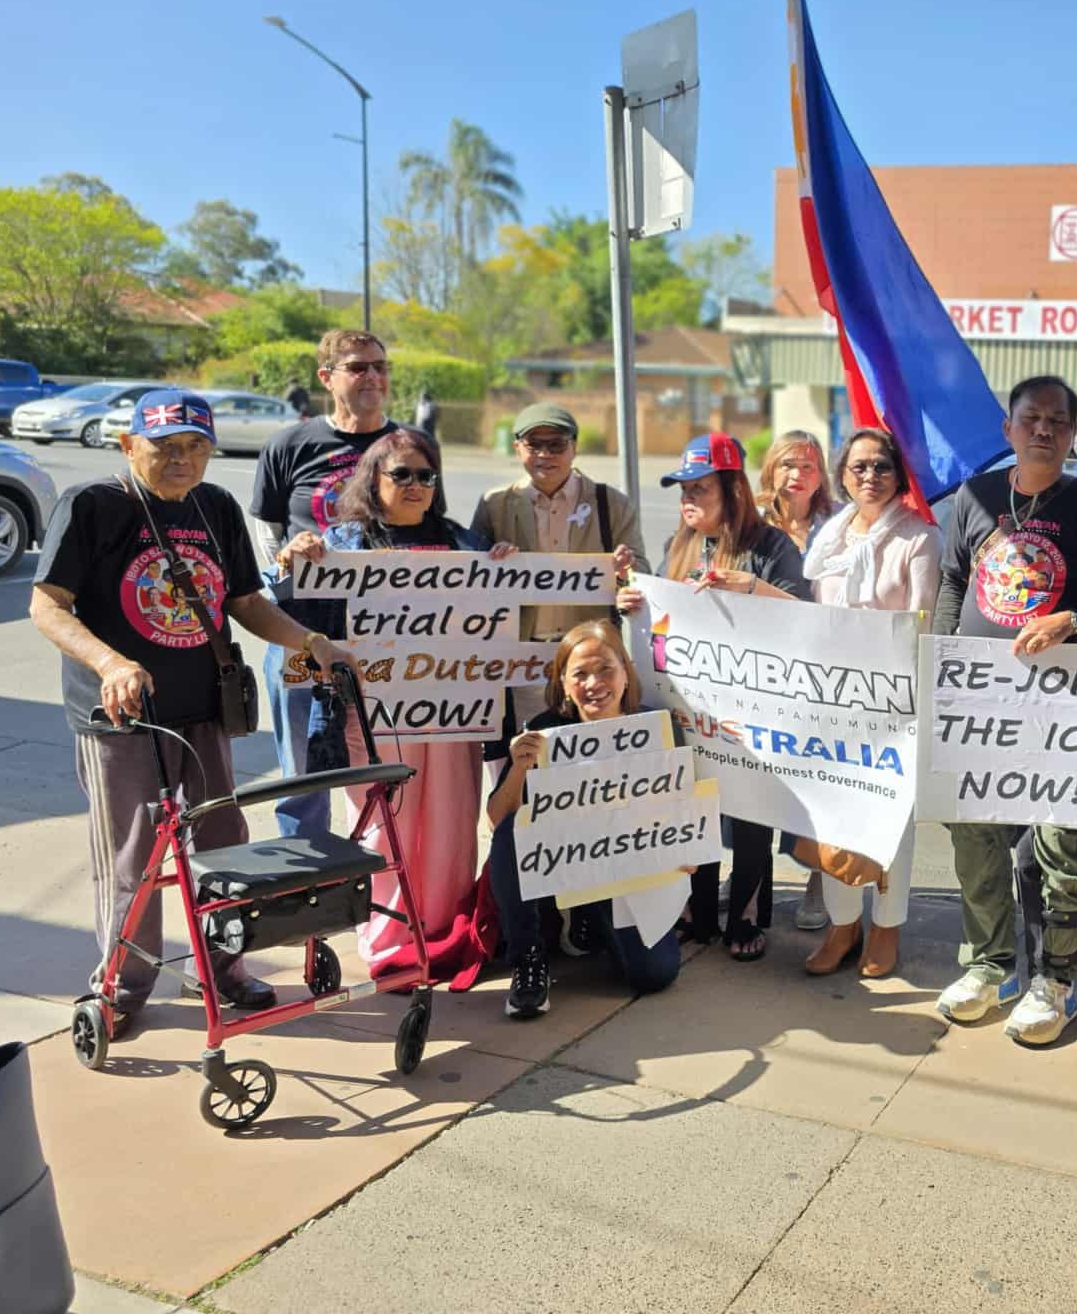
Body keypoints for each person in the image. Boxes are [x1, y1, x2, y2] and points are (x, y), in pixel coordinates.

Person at [30, 389, 350, 1034]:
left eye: (196, 447)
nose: (182, 460)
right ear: (129, 446)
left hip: (204, 706)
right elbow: (48, 604)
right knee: (135, 859)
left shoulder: (215, 506)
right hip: (123, 717)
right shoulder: (93, 505)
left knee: (223, 846)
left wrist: (308, 640)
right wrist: (111, 665)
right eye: (165, 447)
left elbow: (245, 600)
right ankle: (122, 985)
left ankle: (227, 969)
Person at [933, 375, 1077, 1046]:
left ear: (1073, 434)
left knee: (1058, 851)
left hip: (1066, 708)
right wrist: (941, 662)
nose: (1043, 429)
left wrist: (1072, 619)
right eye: (1031, 418)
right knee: (976, 839)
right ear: (1009, 430)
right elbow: (955, 579)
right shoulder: (976, 497)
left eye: (1057, 420)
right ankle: (989, 968)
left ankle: (1056, 982)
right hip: (979, 700)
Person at [276, 427, 515, 983]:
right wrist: (294, 561)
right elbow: (274, 602)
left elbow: (500, 618)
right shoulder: (341, 542)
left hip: (455, 711)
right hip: (372, 713)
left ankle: (444, 932)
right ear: (373, 479)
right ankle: (389, 940)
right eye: (400, 474)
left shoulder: (465, 544)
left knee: (453, 824)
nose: (414, 485)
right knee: (386, 824)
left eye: (425, 476)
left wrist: (505, 567)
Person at [617, 433, 811, 960]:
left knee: (750, 810)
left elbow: (803, 619)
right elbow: (661, 620)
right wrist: (631, 602)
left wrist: (750, 587)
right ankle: (694, 910)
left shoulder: (772, 547)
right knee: (690, 804)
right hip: (691, 708)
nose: (688, 499)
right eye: (683, 488)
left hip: (752, 706)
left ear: (733, 490)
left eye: (700, 489)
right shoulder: (677, 544)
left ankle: (745, 913)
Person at [485, 620, 683, 1019]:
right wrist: (520, 767)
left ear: (626, 673)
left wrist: (682, 853)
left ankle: (587, 920)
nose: (594, 683)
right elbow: (495, 820)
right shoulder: (543, 731)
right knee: (511, 831)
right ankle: (529, 961)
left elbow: (679, 812)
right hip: (566, 863)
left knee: (654, 975)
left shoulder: (657, 729)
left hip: (626, 872)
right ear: (564, 683)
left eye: (605, 669)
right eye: (580, 674)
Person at [800, 426, 941, 980]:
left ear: (898, 474)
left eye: (881, 466)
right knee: (833, 815)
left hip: (889, 706)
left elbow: (923, 624)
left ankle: (885, 926)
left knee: (887, 821)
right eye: (858, 467)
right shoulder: (829, 540)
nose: (869, 477)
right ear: (842, 474)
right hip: (828, 704)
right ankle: (842, 925)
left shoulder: (918, 538)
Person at [252, 329, 397, 839]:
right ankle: (306, 896)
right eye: (358, 367)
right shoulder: (291, 444)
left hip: (388, 635)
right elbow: (267, 533)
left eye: (380, 366)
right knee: (301, 779)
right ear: (326, 378)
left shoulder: (406, 446)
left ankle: (378, 896)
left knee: (383, 771)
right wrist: (286, 570)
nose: (373, 377)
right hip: (301, 636)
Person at [471, 402, 648, 733]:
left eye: (556, 444)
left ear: (574, 448)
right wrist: (491, 561)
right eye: (534, 444)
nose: (545, 454)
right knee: (531, 753)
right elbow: (472, 585)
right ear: (517, 448)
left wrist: (627, 573)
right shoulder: (495, 504)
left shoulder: (611, 504)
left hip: (591, 663)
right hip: (523, 662)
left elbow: (642, 579)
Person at [757, 428, 835, 931]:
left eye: (808, 466)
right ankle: (752, 883)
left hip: (820, 677)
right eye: (787, 464)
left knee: (816, 784)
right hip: (758, 673)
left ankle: (818, 880)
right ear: (770, 470)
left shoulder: (838, 525)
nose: (797, 475)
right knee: (756, 782)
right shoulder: (750, 523)